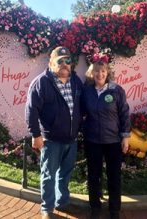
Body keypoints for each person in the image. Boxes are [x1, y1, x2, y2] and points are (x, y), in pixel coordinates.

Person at [25, 46, 83, 219]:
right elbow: (31, 110)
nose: (65, 64)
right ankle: (47, 208)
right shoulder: (41, 82)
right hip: (51, 140)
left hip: (71, 139)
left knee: (65, 174)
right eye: (60, 61)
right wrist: (36, 135)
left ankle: (62, 201)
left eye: (68, 61)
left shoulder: (75, 81)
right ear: (51, 62)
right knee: (49, 175)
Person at [81, 53, 130, 219]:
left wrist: (125, 137)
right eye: (96, 71)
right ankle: (95, 207)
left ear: (107, 72)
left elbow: (124, 114)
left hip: (113, 141)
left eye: (102, 71)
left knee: (114, 176)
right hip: (93, 140)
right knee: (94, 175)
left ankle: (114, 210)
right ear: (91, 73)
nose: (99, 74)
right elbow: (81, 113)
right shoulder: (87, 91)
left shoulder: (116, 90)